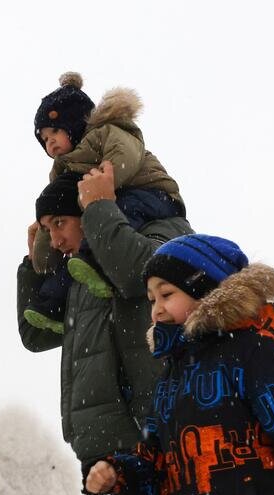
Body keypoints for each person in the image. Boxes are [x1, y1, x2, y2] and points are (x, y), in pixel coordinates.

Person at [84, 234, 274, 495]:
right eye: (152, 300)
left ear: (204, 290)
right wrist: (120, 474)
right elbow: (157, 464)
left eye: (166, 295)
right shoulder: (171, 376)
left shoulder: (254, 351)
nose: (156, 311)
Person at [17, 161, 193, 472]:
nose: (55, 240)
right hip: (95, 451)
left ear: (85, 212)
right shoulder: (78, 275)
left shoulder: (160, 229)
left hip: (151, 443)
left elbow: (136, 272)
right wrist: (33, 267)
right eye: (47, 230)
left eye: (59, 223)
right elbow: (36, 335)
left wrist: (99, 206)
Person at [24, 72, 186, 332]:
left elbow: (124, 157)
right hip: (107, 204)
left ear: (74, 123)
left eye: (54, 131)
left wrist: (97, 196)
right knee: (79, 259)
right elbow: (53, 203)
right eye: (44, 138)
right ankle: (50, 305)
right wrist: (40, 255)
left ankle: (92, 260)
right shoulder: (62, 168)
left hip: (152, 195)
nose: (50, 141)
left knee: (117, 217)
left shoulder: (106, 133)